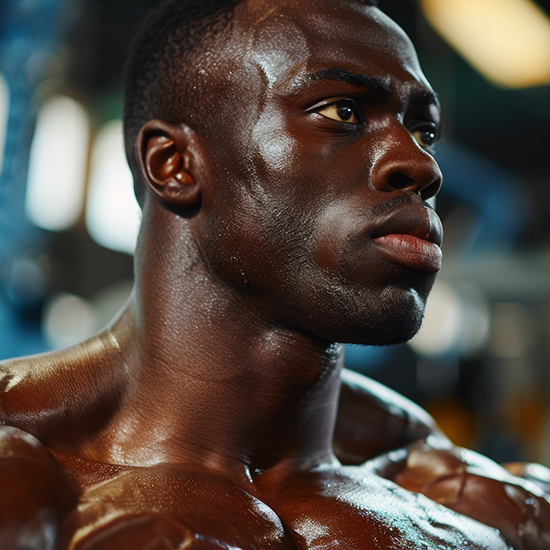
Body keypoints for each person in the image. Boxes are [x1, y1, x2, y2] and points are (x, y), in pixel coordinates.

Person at [1, 0, 549, 548]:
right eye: (342, 112)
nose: (424, 166)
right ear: (176, 164)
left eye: (423, 131)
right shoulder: (27, 472)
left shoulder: (488, 506)